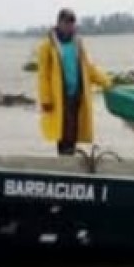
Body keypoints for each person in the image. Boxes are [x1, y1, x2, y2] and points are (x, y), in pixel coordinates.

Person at [37, 8, 113, 156]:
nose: (69, 26)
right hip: (59, 95)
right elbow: (43, 75)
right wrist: (46, 98)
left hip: (76, 93)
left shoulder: (77, 43)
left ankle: (70, 156)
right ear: (58, 23)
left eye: (72, 23)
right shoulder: (47, 46)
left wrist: (106, 81)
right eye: (66, 23)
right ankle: (64, 158)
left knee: (73, 128)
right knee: (62, 130)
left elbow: (88, 67)